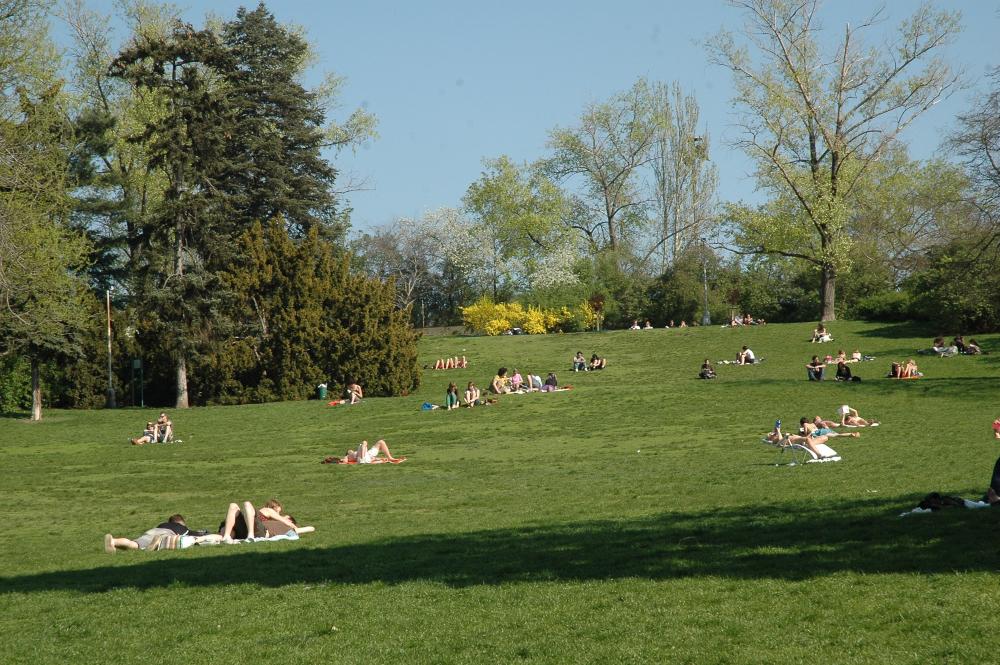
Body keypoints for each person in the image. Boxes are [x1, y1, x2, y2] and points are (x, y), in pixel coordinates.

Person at [105, 514, 206, 553]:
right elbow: (196, 535)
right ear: (182, 522)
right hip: (167, 534)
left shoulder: (162, 524)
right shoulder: (183, 528)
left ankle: (114, 541)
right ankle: (154, 545)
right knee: (165, 541)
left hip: (152, 531)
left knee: (135, 544)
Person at [333, 440, 403, 465]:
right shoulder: (348, 456)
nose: (351, 450)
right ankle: (363, 459)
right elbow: (345, 461)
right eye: (349, 451)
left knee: (381, 442)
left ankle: (390, 458)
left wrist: (377, 459)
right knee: (364, 442)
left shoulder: (355, 452)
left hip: (368, 455)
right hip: (362, 458)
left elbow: (373, 458)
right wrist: (341, 461)